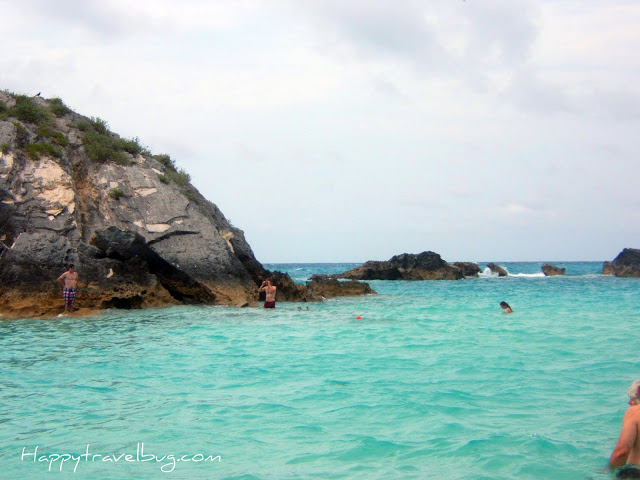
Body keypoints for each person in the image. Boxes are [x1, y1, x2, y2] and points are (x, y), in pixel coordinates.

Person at [608, 380, 640, 478]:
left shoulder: (634, 412)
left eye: (632, 398)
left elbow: (622, 452)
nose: (629, 402)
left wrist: (609, 471)